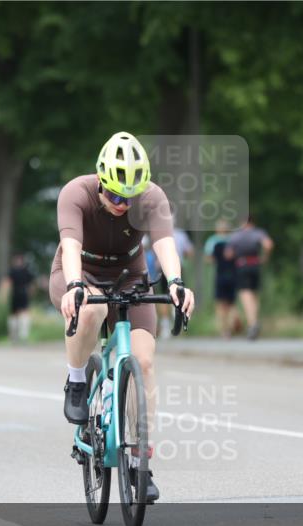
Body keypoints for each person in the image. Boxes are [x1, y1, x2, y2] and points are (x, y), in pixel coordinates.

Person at [49, 131, 195, 502]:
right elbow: (70, 247)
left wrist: (177, 282)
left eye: (128, 197)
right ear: (100, 180)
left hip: (130, 277)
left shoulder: (151, 198)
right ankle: (77, 379)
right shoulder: (76, 194)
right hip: (80, 274)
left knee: (144, 363)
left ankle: (140, 463)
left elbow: (164, 243)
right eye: (114, 195)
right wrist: (74, 285)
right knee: (92, 306)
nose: (120, 203)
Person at [225, 215, 273, 341]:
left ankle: (252, 325)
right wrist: (265, 257)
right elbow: (268, 245)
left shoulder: (237, 235)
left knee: (246, 296)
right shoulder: (258, 232)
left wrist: (236, 254)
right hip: (256, 266)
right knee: (255, 295)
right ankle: (254, 321)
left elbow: (228, 254)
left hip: (242, 266)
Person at [203, 220, 241, 337]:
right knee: (232, 302)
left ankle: (225, 330)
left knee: (220, 304)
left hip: (220, 274)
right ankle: (234, 319)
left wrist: (219, 260)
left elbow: (208, 258)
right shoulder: (234, 240)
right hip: (233, 274)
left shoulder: (213, 241)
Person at [1, 253, 35, 343]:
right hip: (17, 294)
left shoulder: (22, 271)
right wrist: (4, 295)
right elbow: (7, 283)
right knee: (16, 315)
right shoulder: (17, 271)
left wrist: (4, 295)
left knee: (22, 315)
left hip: (21, 294)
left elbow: (31, 285)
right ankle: (16, 336)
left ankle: (21, 336)